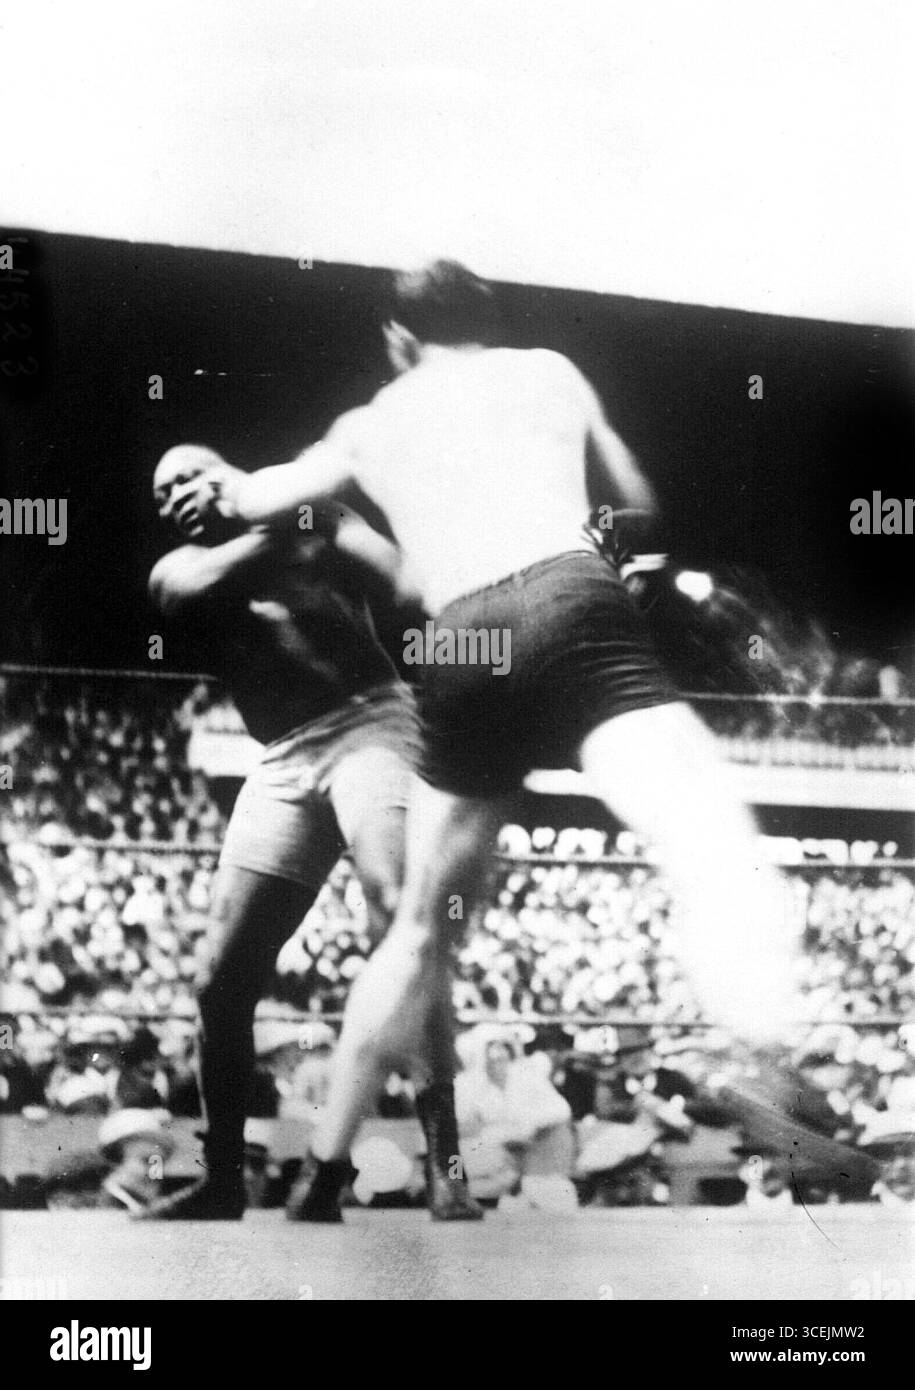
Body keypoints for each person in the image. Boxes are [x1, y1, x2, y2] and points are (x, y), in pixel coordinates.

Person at [195, 258, 800, 1171]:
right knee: (693, 822)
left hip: (462, 634)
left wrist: (229, 488)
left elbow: (259, 495)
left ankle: (322, 1170)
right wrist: (602, 544)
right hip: (570, 604)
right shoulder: (547, 371)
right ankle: (762, 1025)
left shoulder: (371, 422)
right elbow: (638, 506)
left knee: (415, 928)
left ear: (398, 340)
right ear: (485, 317)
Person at [140, 444, 479, 1222]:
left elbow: (403, 579)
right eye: (163, 494)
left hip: (372, 724)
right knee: (219, 977)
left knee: (398, 916)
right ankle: (221, 1177)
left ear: (228, 469)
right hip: (282, 759)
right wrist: (296, 513)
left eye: (192, 476)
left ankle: (447, 1165)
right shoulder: (179, 569)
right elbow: (205, 583)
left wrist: (315, 515)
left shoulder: (315, 523)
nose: (178, 497)